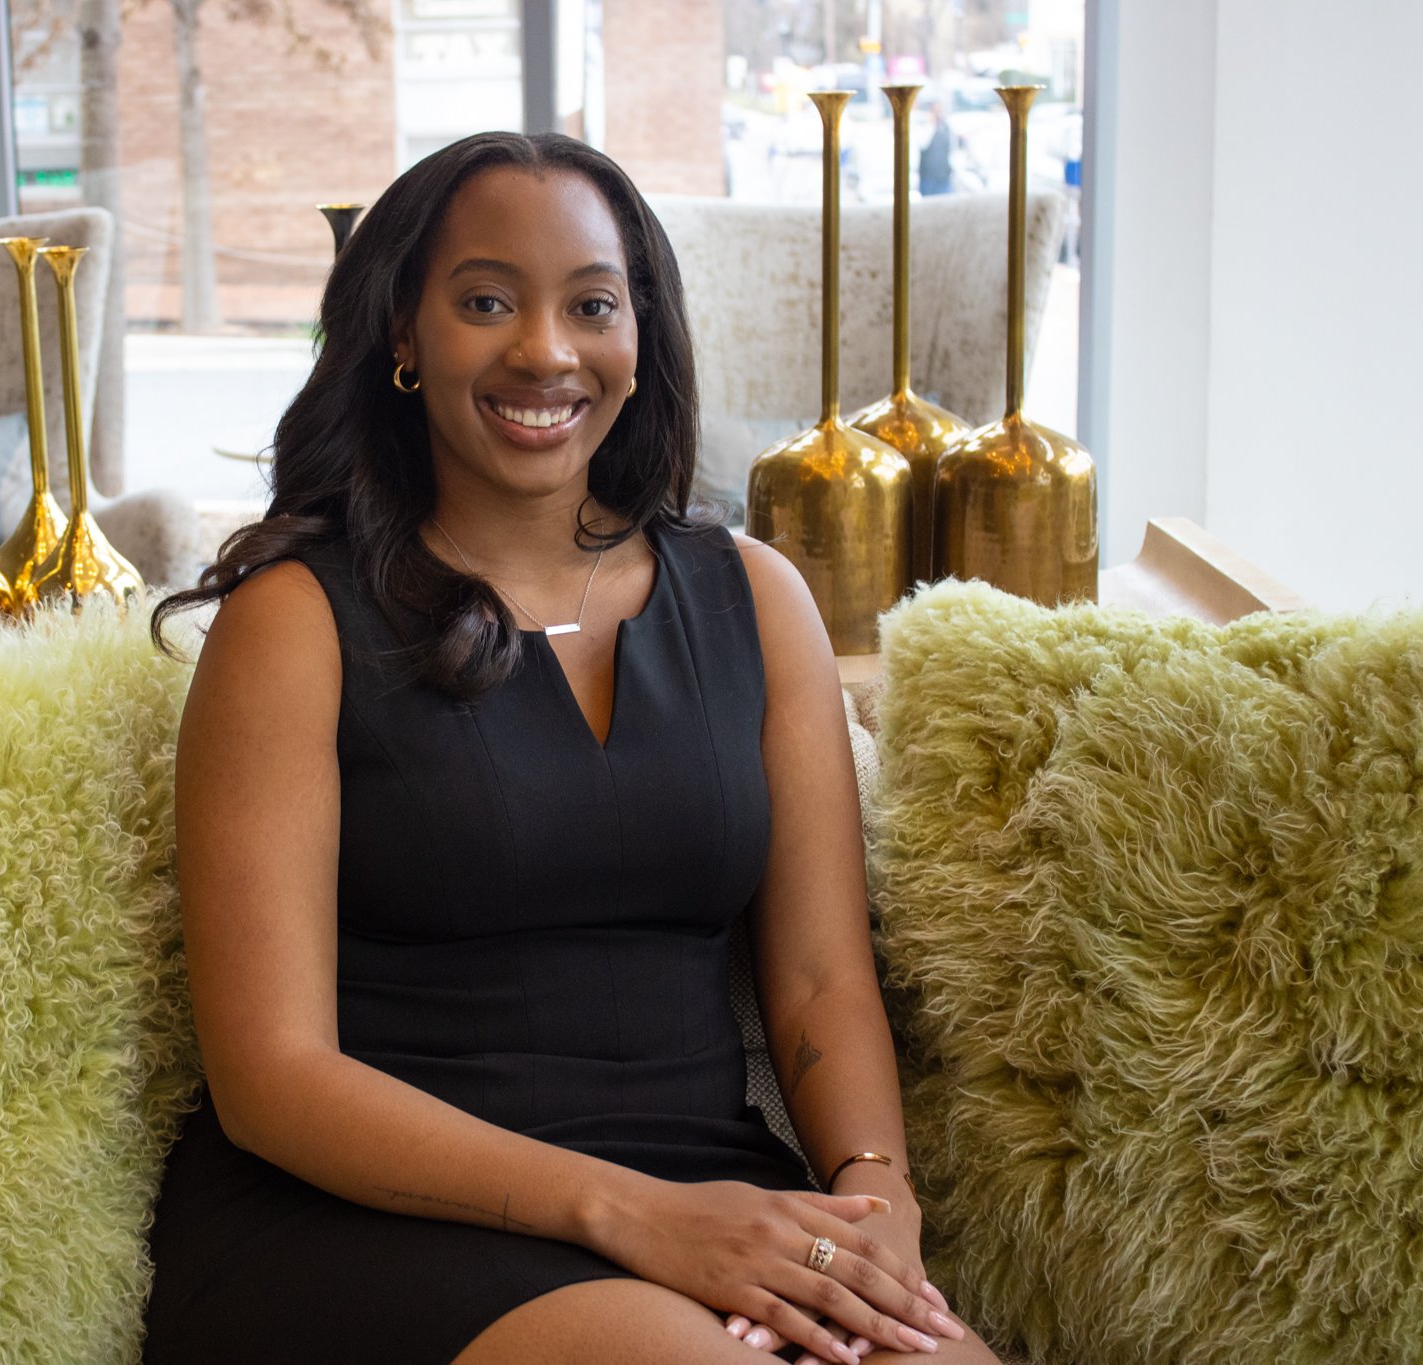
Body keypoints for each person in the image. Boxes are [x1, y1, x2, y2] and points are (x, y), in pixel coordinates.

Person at [142, 130, 1001, 1365]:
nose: (543, 350)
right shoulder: (296, 623)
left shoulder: (754, 599)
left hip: (701, 1192)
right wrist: (633, 1218)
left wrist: (875, 1206)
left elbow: (817, 979)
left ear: (638, 333)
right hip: (372, 1219)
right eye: (485, 301)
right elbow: (271, 1075)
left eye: (589, 304)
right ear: (402, 334)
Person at [918, 105, 953, 197]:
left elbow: (951, 150)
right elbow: (922, 144)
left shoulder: (946, 128)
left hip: (944, 176)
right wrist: (931, 124)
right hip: (928, 178)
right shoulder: (925, 127)